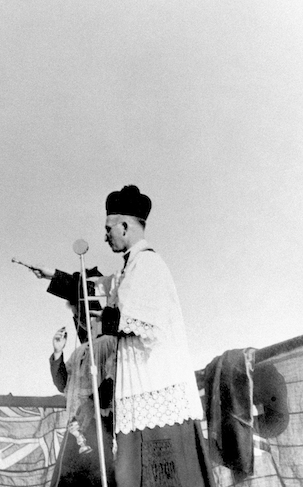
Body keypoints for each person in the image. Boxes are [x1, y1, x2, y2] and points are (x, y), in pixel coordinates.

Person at [96, 185, 214, 487]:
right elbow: (97, 287)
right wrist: (54, 277)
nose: (105, 235)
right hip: (137, 385)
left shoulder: (148, 265)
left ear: (125, 226)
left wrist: (105, 315)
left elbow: (138, 321)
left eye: (108, 228)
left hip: (155, 383)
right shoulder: (130, 267)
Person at [49, 323, 117, 487]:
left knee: (97, 475)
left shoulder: (112, 343)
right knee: (69, 476)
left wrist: (91, 402)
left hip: (98, 421)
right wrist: (58, 352)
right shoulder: (79, 350)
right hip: (75, 422)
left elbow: (113, 379)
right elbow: (62, 384)